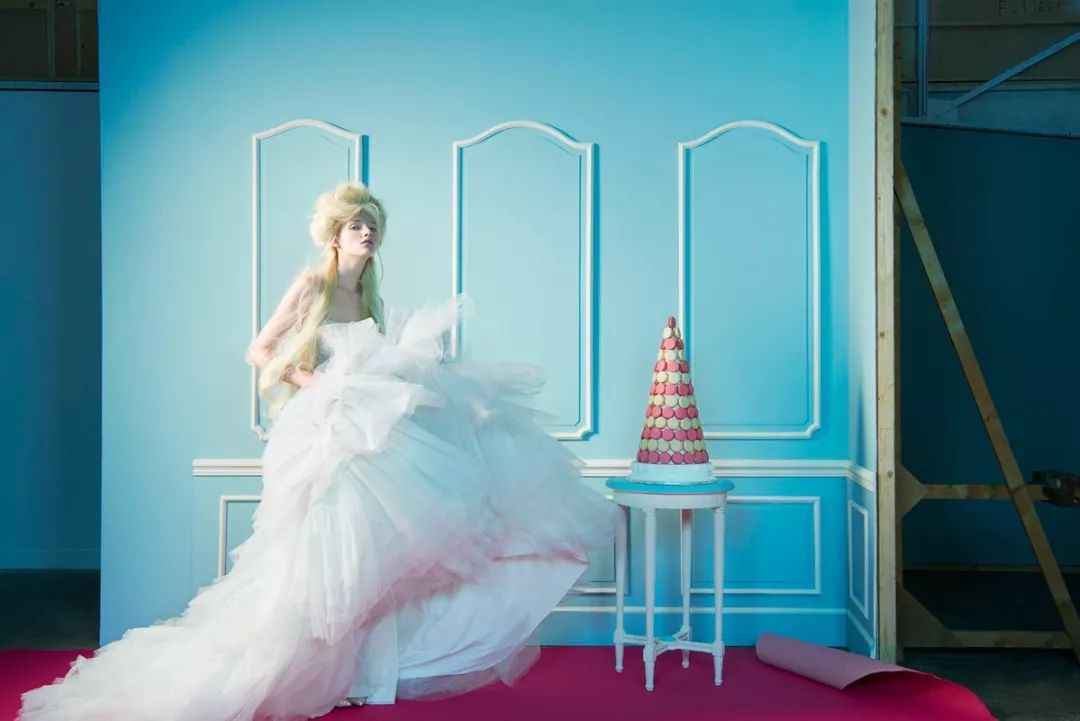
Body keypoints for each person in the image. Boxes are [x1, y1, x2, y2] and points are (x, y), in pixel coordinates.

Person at [18, 181, 619, 720]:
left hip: (367, 430)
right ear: (334, 235)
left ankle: (358, 675)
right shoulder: (312, 285)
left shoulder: (371, 299)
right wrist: (319, 384)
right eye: (357, 224)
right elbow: (259, 351)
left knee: (369, 555)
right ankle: (302, 672)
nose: (367, 232)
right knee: (323, 552)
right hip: (322, 429)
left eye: (373, 224)